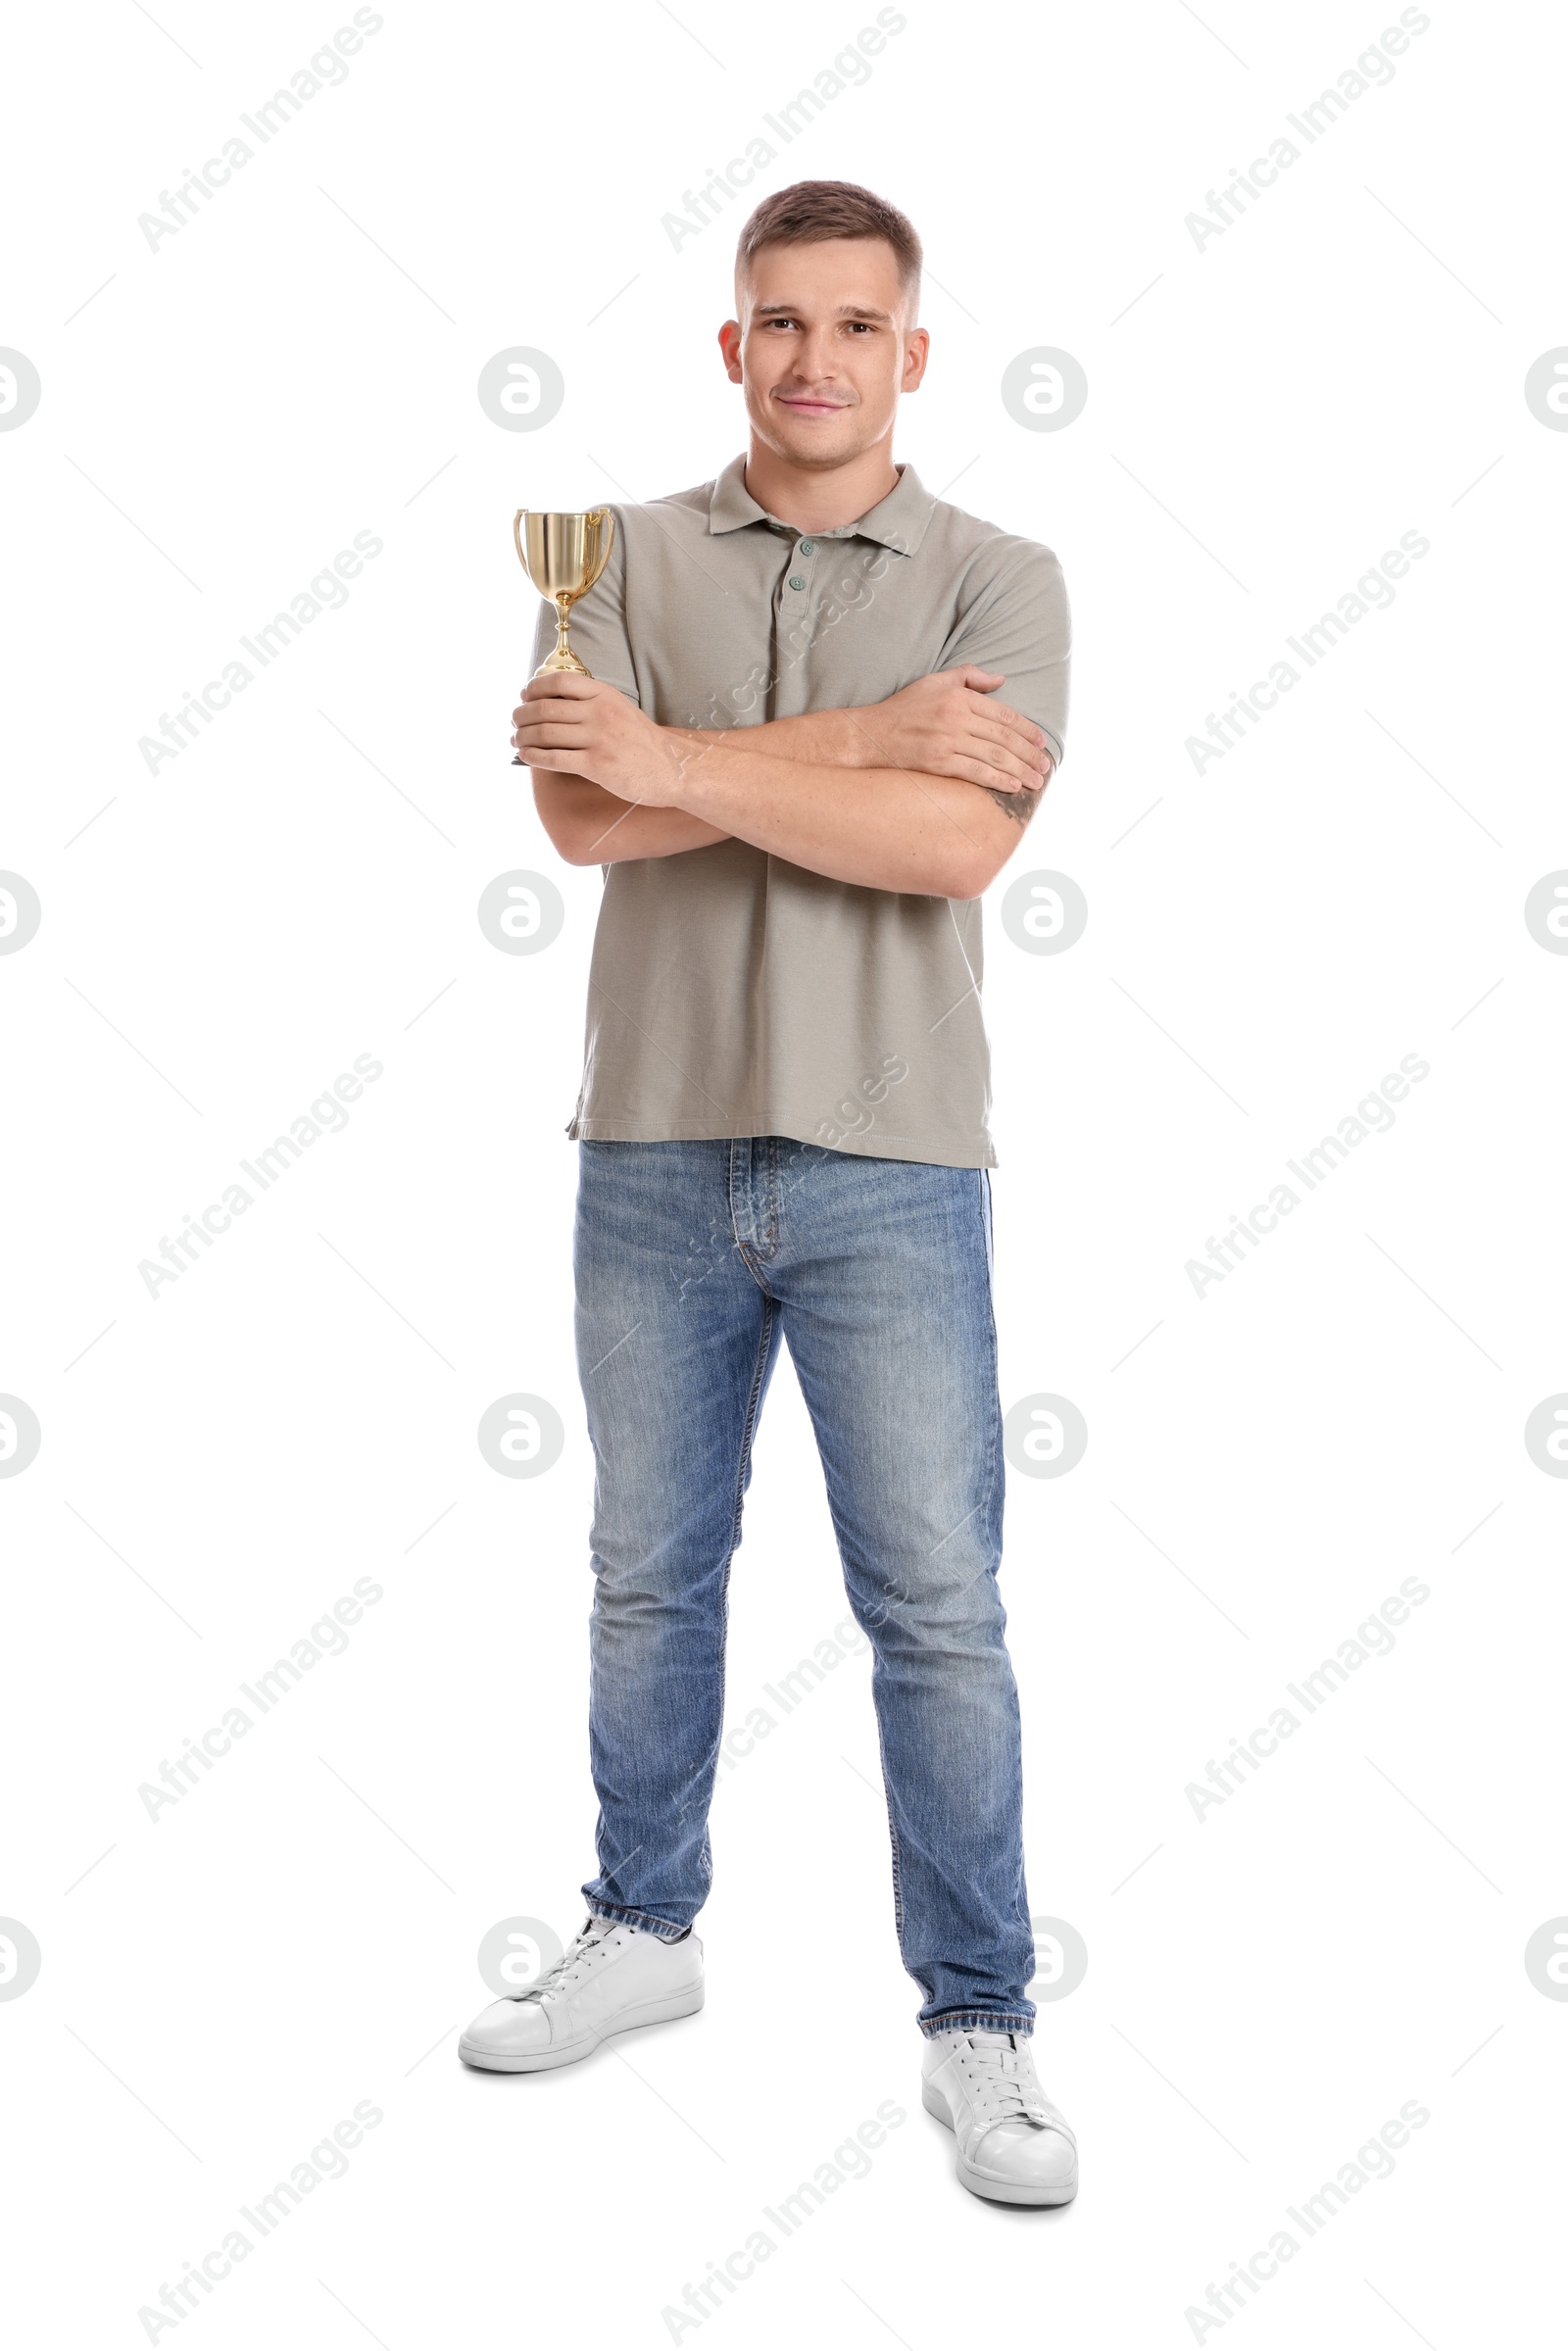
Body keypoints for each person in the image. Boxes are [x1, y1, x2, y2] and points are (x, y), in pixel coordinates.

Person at [460, 178, 1076, 2208]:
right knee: (648, 1573)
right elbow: (573, 808)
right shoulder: (619, 552)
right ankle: (642, 1927)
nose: (812, 360)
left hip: (895, 1162)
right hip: (647, 1141)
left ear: (912, 352)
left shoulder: (1001, 578)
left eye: (851, 326)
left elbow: (945, 852)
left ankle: (977, 2021)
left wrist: (693, 764)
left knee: (936, 1611)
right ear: (731, 345)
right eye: (776, 323)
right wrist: (837, 750)